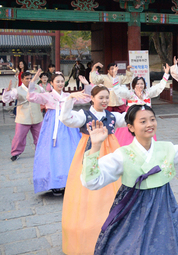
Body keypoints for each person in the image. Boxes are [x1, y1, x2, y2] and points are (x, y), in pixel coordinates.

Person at [82, 104, 178, 254]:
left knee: (165, 245)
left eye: (152, 120)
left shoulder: (168, 149)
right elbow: (92, 181)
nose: (149, 124)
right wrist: (95, 147)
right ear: (130, 127)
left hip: (162, 205)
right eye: (143, 121)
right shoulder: (122, 154)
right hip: (132, 206)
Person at [59, 85, 126, 254]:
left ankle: (115, 226)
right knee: (87, 188)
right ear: (92, 99)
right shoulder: (84, 116)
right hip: (90, 153)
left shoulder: (112, 116)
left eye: (106, 98)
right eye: (101, 97)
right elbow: (65, 118)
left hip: (111, 152)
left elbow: (128, 118)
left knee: (114, 188)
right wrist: (70, 99)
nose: (104, 101)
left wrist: (139, 106)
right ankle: (90, 230)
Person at [27, 69, 90, 195]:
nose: (60, 84)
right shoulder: (48, 95)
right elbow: (31, 96)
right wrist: (33, 82)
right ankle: (54, 183)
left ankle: (69, 181)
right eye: (58, 81)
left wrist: (86, 85)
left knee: (69, 152)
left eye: (62, 81)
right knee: (53, 153)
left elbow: (86, 99)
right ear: (52, 83)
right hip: (52, 126)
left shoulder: (68, 96)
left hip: (69, 126)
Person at [112, 64, 171, 145]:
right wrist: (114, 76)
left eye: (142, 84)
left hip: (145, 119)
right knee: (128, 137)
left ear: (144, 85)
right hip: (132, 118)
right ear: (134, 85)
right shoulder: (130, 94)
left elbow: (159, 87)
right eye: (138, 84)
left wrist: (166, 74)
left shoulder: (147, 93)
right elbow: (118, 89)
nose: (140, 86)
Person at [3, 71, 44, 161]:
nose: (29, 80)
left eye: (30, 78)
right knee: (19, 137)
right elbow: (6, 99)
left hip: (37, 117)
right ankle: (15, 153)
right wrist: (8, 91)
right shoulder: (17, 90)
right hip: (23, 118)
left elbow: (46, 96)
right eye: (27, 79)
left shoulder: (38, 88)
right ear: (22, 79)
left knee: (40, 136)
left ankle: (41, 151)